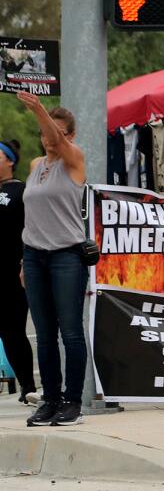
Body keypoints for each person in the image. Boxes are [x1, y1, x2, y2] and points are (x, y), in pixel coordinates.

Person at [16, 93, 88, 427]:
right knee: (44, 334)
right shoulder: (35, 165)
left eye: (55, 133)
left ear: (69, 136)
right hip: (34, 255)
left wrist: (38, 109)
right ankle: (50, 400)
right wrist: (23, 260)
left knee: (70, 332)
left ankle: (72, 402)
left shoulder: (74, 159)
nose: (48, 138)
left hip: (66, 256)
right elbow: (32, 216)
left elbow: (57, 140)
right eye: (43, 132)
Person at [1, 138, 38, 405]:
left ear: (10, 161)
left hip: (13, 274)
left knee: (13, 331)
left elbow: (32, 229)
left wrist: (26, 262)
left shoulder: (21, 192)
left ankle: (28, 386)